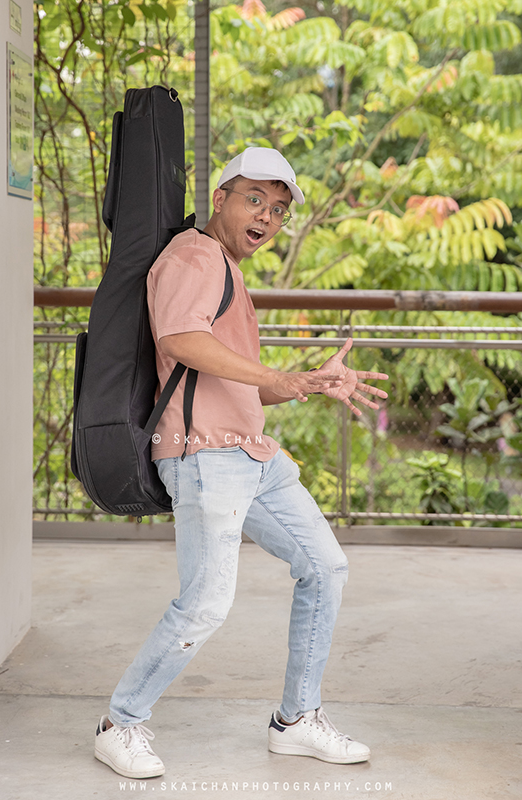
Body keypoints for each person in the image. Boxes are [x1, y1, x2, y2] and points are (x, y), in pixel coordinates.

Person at [94, 147, 388, 779]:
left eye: (279, 210)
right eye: (254, 199)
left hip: (251, 454)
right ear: (221, 196)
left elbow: (240, 379)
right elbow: (180, 339)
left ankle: (296, 720)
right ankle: (120, 723)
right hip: (207, 456)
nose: (267, 217)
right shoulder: (195, 255)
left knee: (324, 566)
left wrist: (305, 382)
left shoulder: (222, 261)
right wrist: (280, 374)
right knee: (205, 603)